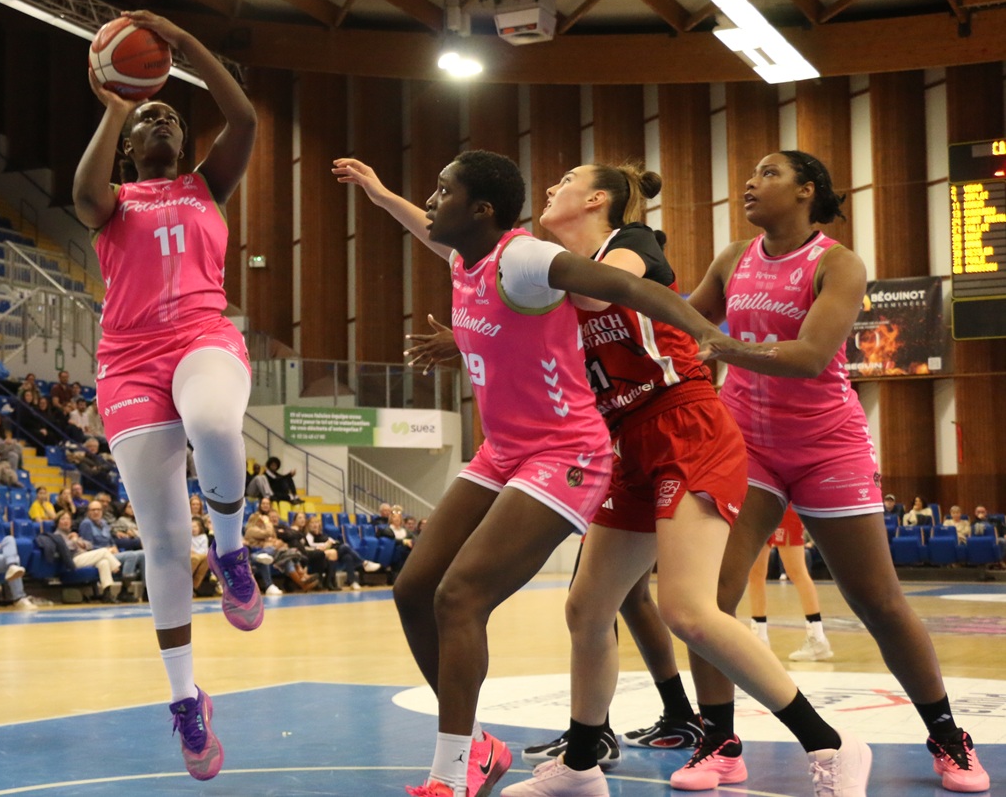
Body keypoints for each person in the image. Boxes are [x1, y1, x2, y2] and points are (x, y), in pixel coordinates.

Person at [332, 149, 760, 797]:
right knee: (414, 588)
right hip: (502, 450)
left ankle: (450, 772)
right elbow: (421, 228)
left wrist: (706, 329)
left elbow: (628, 287)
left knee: (461, 596)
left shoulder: (523, 257)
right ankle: (479, 746)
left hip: (566, 452)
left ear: (481, 211)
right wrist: (378, 190)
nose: (431, 201)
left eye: (443, 190)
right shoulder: (462, 256)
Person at [681, 150, 984, 792]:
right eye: (751, 172)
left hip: (827, 446)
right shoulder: (733, 257)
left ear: (806, 190)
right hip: (745, 445)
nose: (749, 182)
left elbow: (812, 356)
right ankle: (719, 738)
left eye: (767, 173)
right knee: (709, 599)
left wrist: (726, 347)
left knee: (877, 599)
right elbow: (685, 319)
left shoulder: (839, 263)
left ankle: (947, 734)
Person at [74, 8, 261, 780]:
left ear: (185, 144)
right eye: (145, 115)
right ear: (126, 142)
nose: (160, 121)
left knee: (215, 421)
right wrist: (116, 103)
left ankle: (233, 547)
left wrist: (184, 47)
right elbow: (82, 191)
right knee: (157, 539)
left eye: (169, 115)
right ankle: (187, 702)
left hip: (201, 339)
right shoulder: (112, 199)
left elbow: (243, 113)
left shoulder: (207, 183)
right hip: (127, 363)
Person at [748, 507, 833, 663]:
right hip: (758, 506)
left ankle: (817, 638)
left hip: (782, 505)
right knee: (755, 573)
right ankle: (759, 639)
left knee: (796, 571)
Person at [81, 498, 143, 600]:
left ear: (102, 511)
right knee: (131, 555)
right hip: (99, 555)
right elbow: (88, 546)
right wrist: (108, 549)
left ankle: (146, 591)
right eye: (93, 510)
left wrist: (114, 546)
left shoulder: (104, 523)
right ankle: (124, 590)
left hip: (111, 553)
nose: (96, 512)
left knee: (142, 554)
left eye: (98, 509)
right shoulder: (86, 524)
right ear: (88, 512)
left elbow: (111, 540)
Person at [52, 509, 121, 600]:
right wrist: (75, 541)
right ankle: (117, 568)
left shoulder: (72, 534)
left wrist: (78, 540)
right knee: (104, 551)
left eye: (68, 519)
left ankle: (107, 593)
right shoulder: (57, 535)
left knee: (104, 562)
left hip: (84, 557)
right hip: (72, 561)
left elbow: (89, 545)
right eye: (63, 519)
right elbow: (67, 548)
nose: (66, 521)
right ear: (58, 522)